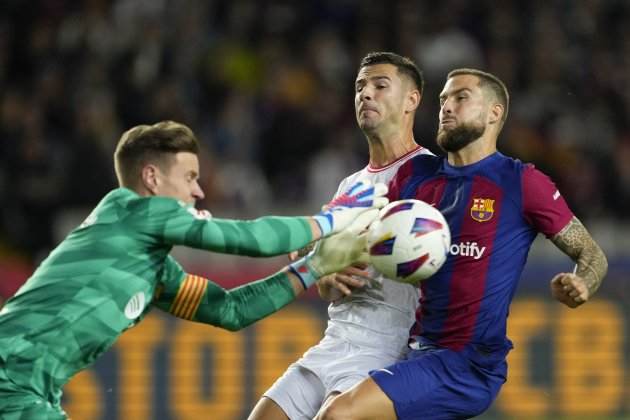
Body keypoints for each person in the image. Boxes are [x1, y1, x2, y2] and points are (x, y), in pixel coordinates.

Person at [0, 120, 389, 419]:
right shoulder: (130, 209)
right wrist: (332, 219)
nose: (198, 192)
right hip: (10, 381)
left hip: (28, 390)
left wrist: (313, 266)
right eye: (189, 177)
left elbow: (230, 311)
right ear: (151, 178)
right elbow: (252, 240)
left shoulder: (154, 271)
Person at [315, 69, 609, 420]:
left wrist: (582, 283)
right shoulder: (417, 176)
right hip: (415, 351)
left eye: (460, 97)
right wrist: (327, 259)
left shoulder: (520, 182)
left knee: (338, 414)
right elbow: (355, 233)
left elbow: (591, 253)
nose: (446, 108)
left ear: (494, 113)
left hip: (467, 363)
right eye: (442, 100)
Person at [249, 52, 433, 420]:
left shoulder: (432, 176)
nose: (366, 94)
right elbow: (328, 287)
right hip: (334, 342)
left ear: (412, 100)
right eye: (360, 87)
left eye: (381, 86)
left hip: (386, 350)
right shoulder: (351, 185)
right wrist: (328, 273)